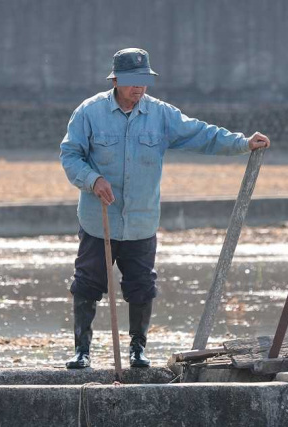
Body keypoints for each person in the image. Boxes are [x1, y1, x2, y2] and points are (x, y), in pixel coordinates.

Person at [60, 48, 270, 369]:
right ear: (115, 80)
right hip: (98, 221)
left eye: (144, 81)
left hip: (142, 221)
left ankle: (137, 349)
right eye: (132, 81)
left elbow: (203, 134)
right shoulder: (90, 112)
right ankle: (82, 351)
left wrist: (242, 142)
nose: (139, 88)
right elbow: (70, 154)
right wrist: (92, 179)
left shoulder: (161, 115)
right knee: (87, 283)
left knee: (141, 287)